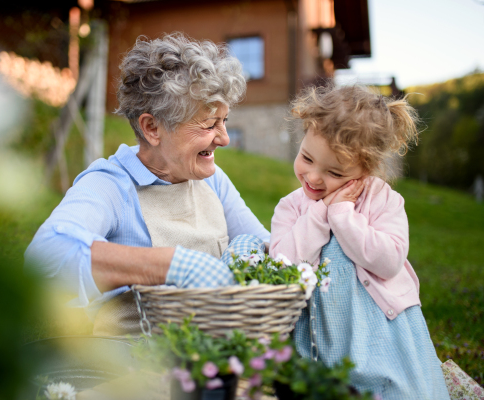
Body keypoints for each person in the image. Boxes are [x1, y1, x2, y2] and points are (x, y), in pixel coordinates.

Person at [25, 33, 269, 336]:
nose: (224, 138)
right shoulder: (111, 184)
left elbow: (265, 246)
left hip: (210, 354)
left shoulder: (213, 180)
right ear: (152, 128)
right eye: (208, 125)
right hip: (134, 367)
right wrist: (173, 265)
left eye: (224, 121)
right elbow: (45, 256)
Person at [269, 84, 449, 399]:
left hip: (384, 329)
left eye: (335, 173)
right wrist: (320, 214)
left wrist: (342, 216)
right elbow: (281, 262)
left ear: (365, 170)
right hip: (322, 333)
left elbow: (390, 259)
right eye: (307, 158)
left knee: (398, 390)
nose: (313, 177)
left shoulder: (383, 199)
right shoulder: (291, 207)